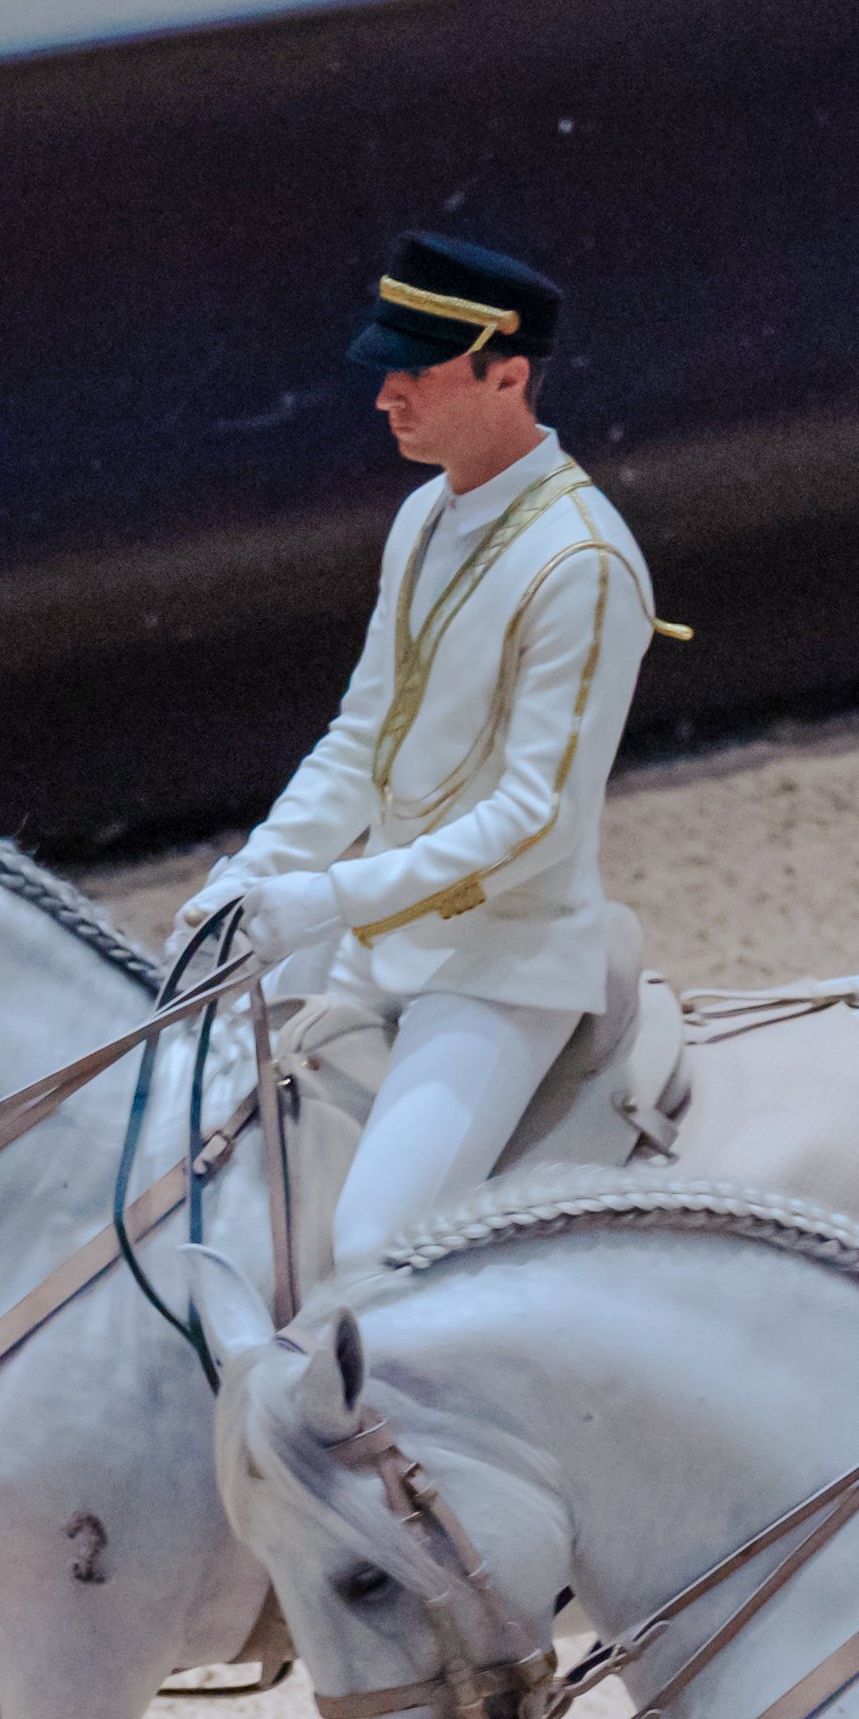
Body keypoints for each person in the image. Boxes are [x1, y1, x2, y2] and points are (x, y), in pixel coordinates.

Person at [185, 231, 664, 1256]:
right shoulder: (421, 518)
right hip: (377, 937)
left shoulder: (581, 561)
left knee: (373, 1243)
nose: (385, 396)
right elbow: (364, 735)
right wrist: (260, 869)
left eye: (416, 373)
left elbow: (534, 821)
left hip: (502, 964)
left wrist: (331, 896)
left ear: (510, 375)